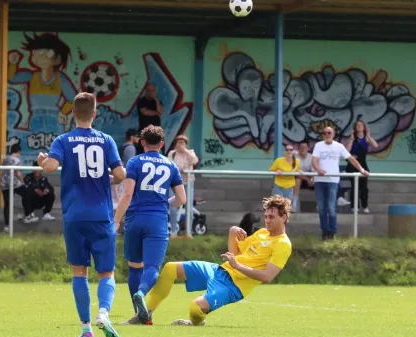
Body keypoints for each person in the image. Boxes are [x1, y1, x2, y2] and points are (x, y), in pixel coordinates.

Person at [120, 195, 292, 326]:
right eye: (267, 216)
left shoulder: (283, 244)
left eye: (272, 217)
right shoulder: (261, 233)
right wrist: (232, 232)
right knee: (170, 268)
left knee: (195, 309)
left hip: (233, 287)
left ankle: (195, 323)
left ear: (284, 217)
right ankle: (145, 315)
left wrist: (238, 266)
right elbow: (235, 252)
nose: (268, 220)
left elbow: (267, 276)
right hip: (220, 270)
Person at [38, 92, 126, 337]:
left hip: (75, 216)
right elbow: (120, 175)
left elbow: (51, 167)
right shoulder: (106, 140)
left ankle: (86, 328)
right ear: (95, 114)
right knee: (106, 273)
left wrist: (43, 161)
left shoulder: (63, 140)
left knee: (79, 272)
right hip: (101, 215)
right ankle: (104, 313)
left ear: (73, 114)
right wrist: (108, 176)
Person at [114, 125, 186, 324]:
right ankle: (141, 293)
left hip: (135, 219)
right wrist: (163, 203)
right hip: (157, 221)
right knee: (152, 267)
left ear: (142, 142)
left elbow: (127, 194)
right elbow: (181, 198)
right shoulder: (170, 165)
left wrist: (117, 220)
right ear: (162, 144)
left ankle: (139, 314)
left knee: (134, 267)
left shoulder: (135, 162)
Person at [312, 127, 369, 240]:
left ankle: (332, 232)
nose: (326, 134)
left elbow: (351, 159)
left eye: (329, 133)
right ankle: (324, 231)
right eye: (324, 133)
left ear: (333, 134)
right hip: (319, 180)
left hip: (333, 181)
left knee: (331, 208)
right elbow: (314, 160)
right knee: (322, 208)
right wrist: (318, 170)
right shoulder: (318, 145)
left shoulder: (339, 146)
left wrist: (361, 170)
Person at [167, 135, 199, 237]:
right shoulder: (172, 153)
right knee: (172, 206)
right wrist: (178, 169)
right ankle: (174, 231)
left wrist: (185, 151)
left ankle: (189, 232)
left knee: (189, 207)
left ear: (186, 144)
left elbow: (195, 161)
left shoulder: (190, 153)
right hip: (174, 183)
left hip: (188, 183)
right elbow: (169, 165)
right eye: (178, 142)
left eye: (182, 142)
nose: (180, 144)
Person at [1, 143, 37, 230]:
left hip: (4, 184)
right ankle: (28, 215)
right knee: (27, 194)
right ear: (18, 151)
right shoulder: (17, 160)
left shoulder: (5, 159)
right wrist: (23, 182)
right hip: (15, 183)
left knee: (7, 204)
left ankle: (7, 225)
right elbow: (18, 173)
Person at [345, 120, 378, 214]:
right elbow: (347, 151)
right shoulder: (353, 138)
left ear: (364, 127)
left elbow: (375, 145)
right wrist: (351, 139)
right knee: (354, 186)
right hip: (353, 164)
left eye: (361, 125)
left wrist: (368, 135)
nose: (359, 126)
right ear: (355, 127)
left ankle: (365, 205)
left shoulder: (366, 138)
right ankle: (354, 206)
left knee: (364, 187)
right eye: (357, 125)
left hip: (363, 163)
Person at [293, 141, 314, 212]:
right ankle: (294, 205)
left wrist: (312, 179)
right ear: (298, 148)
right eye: (301, 147)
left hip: (309, 179)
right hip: (299, 179)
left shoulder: (311, 157)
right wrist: (306, 179)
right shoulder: (295, 157)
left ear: (308, 148)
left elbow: (313, 172)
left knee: (318, 181)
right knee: (298, 180)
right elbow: (295, 172)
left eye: (304, 147)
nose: (303, 149)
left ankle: (320, 206)